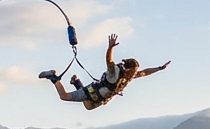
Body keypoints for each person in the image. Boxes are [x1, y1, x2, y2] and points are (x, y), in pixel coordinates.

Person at [40, 34, 170, 110]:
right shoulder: (115, 72)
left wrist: (159, 68)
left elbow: (144, 73)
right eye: (133, 70)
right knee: (64, 96)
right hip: (93, 92)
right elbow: (109, 60)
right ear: (129, 69)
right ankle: (53, 77)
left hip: (99, 96)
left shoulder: (127, 77)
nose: (134, 73)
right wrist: (110, 48)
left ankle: (76, 82)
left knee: (88, 106)